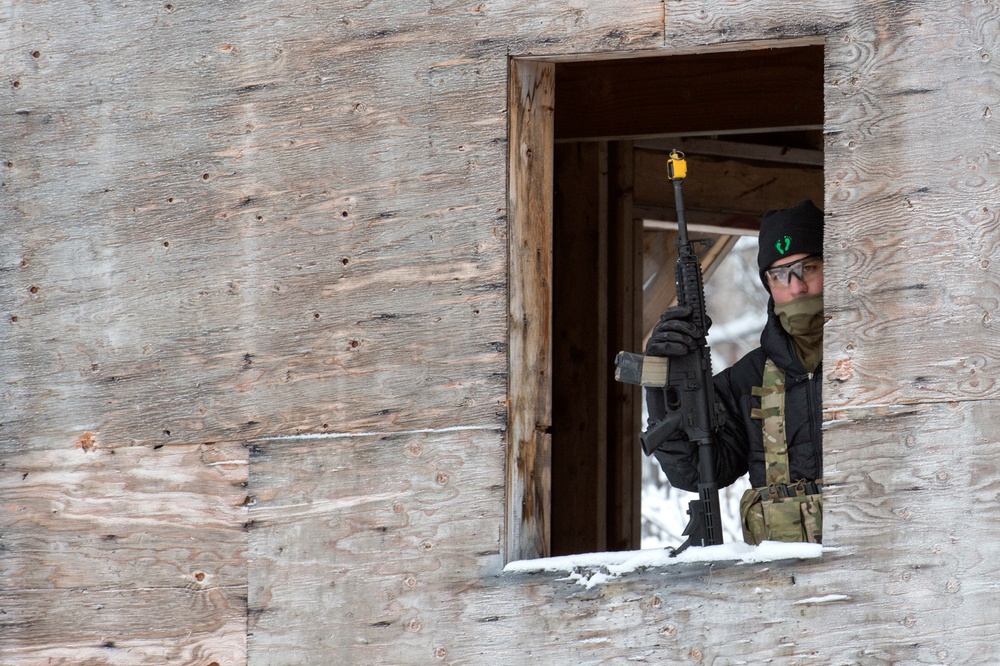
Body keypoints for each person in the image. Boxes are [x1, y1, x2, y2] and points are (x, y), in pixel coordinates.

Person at [645, 200, 825, 544]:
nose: (796, 286)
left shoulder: (876, 360)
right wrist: (662, 385)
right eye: (780, 275)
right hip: (781, 570)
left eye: (809, 268)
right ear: (768, 286)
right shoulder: (748, 379)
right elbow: (695, 471)